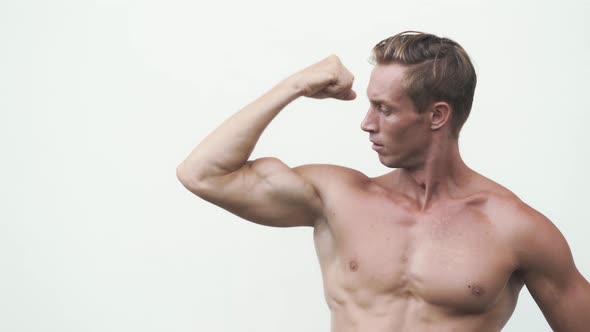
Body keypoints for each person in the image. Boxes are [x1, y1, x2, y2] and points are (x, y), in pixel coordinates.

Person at [176, 31, 590, 331]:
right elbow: (202, 174)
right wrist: (297, 84)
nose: (366, 123)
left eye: (384, 109)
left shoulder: (516, 229)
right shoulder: (336, 197)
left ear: (436, 116)